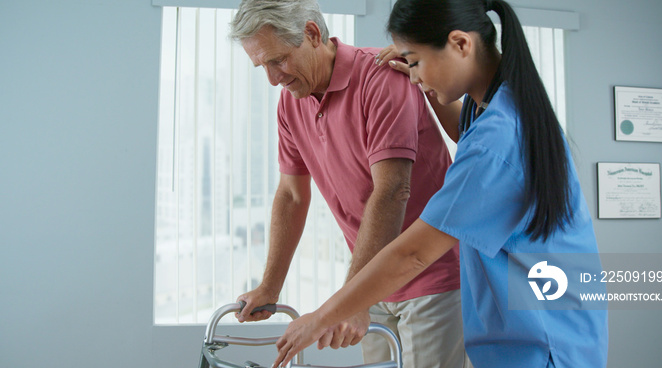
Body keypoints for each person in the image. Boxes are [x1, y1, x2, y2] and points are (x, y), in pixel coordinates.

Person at [272, 0, 609, 367]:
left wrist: (323, 316)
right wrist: (425, 82)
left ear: (461, 44)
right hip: (531, 331)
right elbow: (464, 133)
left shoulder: (498, 142)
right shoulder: (495, 106)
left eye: (415, 61)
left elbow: (413, 253)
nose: (413, 77)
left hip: (542, 341)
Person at [228, 1, 471, 367]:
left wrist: (353, 298)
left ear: (312, 33)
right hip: (372, 276)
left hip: (430, 274)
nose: (273, 78)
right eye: (262, 66)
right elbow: (292, 196)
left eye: (277, 60)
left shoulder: (381, 77)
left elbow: (391, 191)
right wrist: (270, 286)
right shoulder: (291, 103)